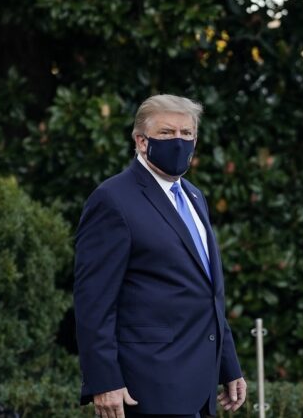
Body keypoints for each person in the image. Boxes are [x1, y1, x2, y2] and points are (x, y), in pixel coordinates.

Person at [74, 94, 247, 418]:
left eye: (186, 134)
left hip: (197, 388)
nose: (178, 141)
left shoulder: (194, 196)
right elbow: (93, 302)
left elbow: (207, 291)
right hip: (145, 388)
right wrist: (103, 381)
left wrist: (228, 365)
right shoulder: (112, 200)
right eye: (166, 133)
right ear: (141, 141)